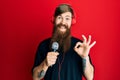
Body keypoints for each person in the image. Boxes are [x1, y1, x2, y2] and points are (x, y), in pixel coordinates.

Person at [32, 4, 96, 80]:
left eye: (67, 18)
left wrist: (85, 57)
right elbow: (35, 78)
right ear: (54, 19)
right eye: (59, 17)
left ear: (72, 22)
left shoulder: (80, 46)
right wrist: (45, 64)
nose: (63, 22)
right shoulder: (43, 45)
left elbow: (90, 77)